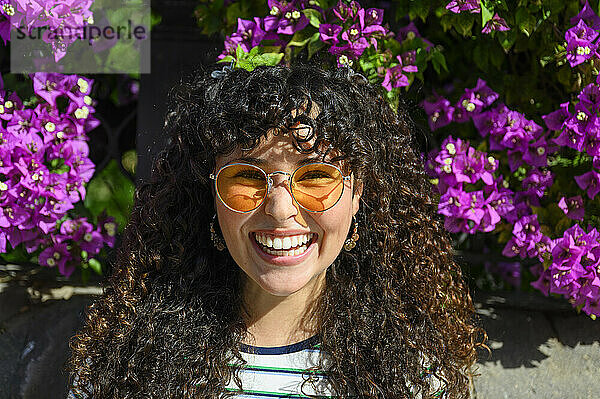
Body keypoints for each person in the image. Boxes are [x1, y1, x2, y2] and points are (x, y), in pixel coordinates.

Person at [66, 63, 485, 398]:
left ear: (359, 194)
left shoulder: (415, 375)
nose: (281, 210)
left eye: (316, 176)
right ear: (210, 194)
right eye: (248, 177)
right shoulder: (126, 365)